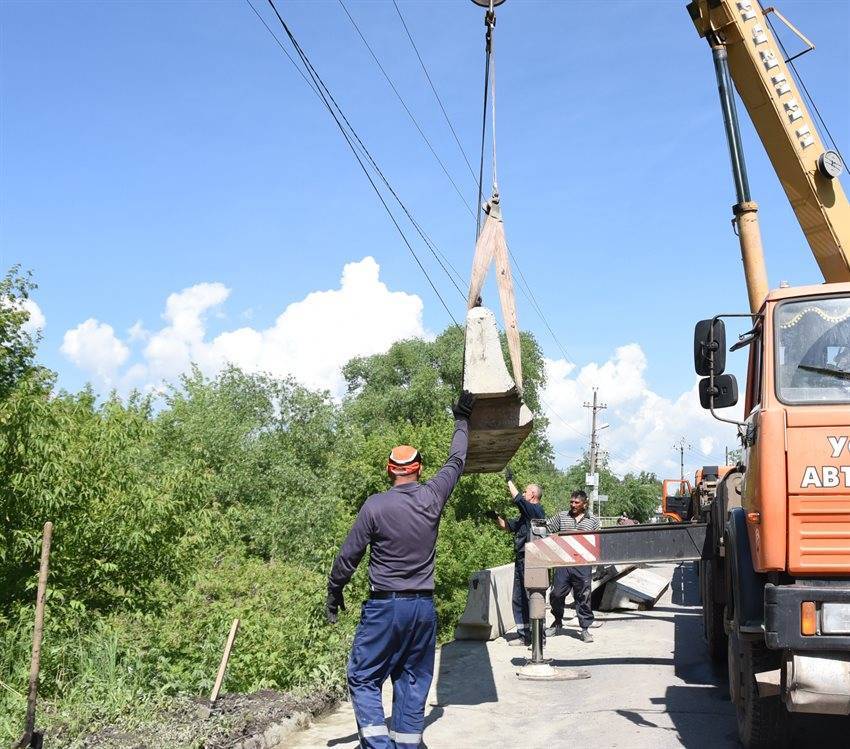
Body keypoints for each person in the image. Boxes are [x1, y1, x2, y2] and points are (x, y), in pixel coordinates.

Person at [325, 390, 475, 749]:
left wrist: (334, 591)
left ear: (390, 470)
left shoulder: (374, 507)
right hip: (423, 610)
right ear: (419, 469)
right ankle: (406, 744)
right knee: (413, 680)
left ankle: (378, 745)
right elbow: (457, 459)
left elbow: (348, 556)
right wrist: (461, 418)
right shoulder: (432, 496)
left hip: (385, 608)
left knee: (363, 677)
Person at [491, 468, 545, 645]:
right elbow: (508, 527)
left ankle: (539, 637)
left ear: (533, 495)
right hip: (520, 559)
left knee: (533, 597)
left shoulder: (535, 511)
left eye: (526, 491)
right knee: (519, 597)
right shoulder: (525, 517)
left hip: (531, 560)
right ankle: (525, 636)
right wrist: (495, 517)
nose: (523, 493)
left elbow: (518, 499)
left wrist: (509, 481)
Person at [544, 490, 601, 643]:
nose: (573, 505)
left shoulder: (593, 520)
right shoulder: (562, 516)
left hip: (582, 564)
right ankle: (557, 622)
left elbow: (597, 541)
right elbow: (546, 529)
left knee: (583, 596)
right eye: (571, 502)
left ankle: (585, 629)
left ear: (585, 504)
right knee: (556, 594)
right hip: (563, 563)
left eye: (576, 503)